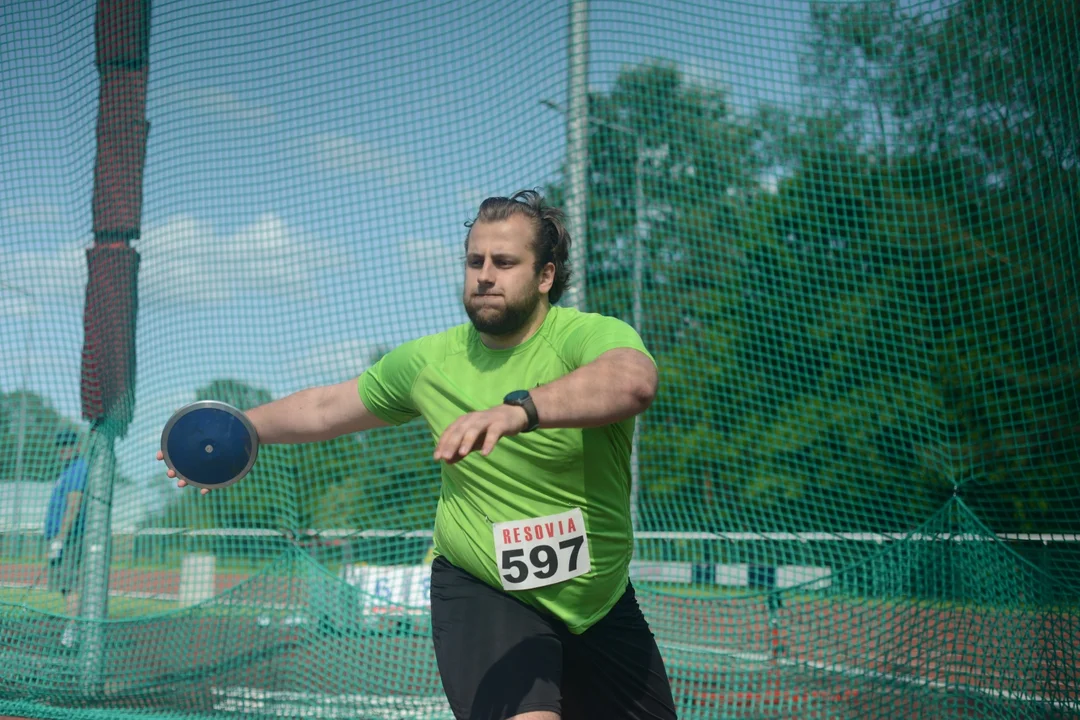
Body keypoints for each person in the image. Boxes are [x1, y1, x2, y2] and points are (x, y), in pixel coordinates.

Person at [159, 189, 678, 720]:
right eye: (475, 261)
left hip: (599, 600)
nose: (485, 275)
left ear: (545, 276)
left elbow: (632, 382)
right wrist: (232, 431)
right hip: (485, 587)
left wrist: (519, 410)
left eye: (504, 262)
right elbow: (324, 407)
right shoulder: (431, 360)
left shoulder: (588, 336)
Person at [45, 428, 89, 648]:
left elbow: (74, 504)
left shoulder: (78, 469)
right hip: (61, 537)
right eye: (60, 446)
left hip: (71, 538)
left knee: (70, 584)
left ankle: (74, 630)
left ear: (76, 447)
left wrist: (60, 538)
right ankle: (74, 628)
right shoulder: (67, 469)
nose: (63, 450)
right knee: (65, 586)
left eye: (67, 445)